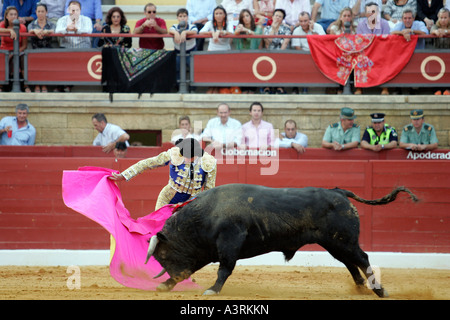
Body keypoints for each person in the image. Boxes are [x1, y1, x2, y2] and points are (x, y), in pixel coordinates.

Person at [109, 138, 217, 210]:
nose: (185, 159)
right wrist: (124, 175)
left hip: (194, 203)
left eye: (188, 157)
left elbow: (209, 190)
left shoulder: (208, 162)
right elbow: (147, 163)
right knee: (158, 230)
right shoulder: (174, 153)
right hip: (168, 198)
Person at [355, 2, 390, 95]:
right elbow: (359, 42)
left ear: (378, 12)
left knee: (386, 59)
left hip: (381, 52)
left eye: (373, 12)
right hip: (366, 52)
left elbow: (386, 40)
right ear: (365, 14)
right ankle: (359, 88)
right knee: (358, 59)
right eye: (369, 12)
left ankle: (385, 88)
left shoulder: (385, 24)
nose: (371, 14)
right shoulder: (361, 25)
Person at [199, 6, 233, 93]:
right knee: (212, 72)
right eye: (216, 14)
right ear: (214, 15)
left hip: (225, 52)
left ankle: (218, 88)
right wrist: (211, 33)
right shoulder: (210, 23)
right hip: (212, 52)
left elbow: (232, 33)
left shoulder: (229, 24)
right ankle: (212, 88)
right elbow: (201, 32)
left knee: (222, 72)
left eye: (220, 13)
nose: (218, 16)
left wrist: (221, 32)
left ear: (224, 15)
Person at [28, 2, 55, 93]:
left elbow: (54, 30)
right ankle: (36, 85)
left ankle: (44, 85)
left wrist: (47, 32)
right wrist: (34, 31)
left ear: (46, 12)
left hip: (47, 50)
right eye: (38, 11)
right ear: (35, 12)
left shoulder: (51, 24)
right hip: (35, 49)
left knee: (45, 61)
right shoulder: (32, 24)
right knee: (35, 60)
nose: (40, 13)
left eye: (42, 11)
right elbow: (29, 30)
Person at [0, 6, 28, 93]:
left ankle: (26, 86)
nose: (13, 16)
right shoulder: (3, 24)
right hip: (5, 51)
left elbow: (24, 45)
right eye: (11, 14)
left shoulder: (22, 27)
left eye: (15, 14)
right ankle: (1, 86)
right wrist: (9, 31)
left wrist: (15, 53)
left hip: (18, 51)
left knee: (23, 59)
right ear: (7, 16)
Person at [262, 8, 291, 94]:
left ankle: (280, 86)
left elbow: (285, 43)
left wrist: (280, 55)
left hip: (282, 53)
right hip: (269, 53)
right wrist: (273, 30)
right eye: (276, 16)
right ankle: (267, 86)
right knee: (266, 60)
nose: (277, 18)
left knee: (281, 61)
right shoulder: (266, 29)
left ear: (282, 19)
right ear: (273, 17)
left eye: (280, 16)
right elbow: (268, 43)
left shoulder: (287, 29)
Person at [169, 8, 198, 88]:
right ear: (177, 18)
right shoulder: (174, 26)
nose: (182, 18)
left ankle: (193, 87)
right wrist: (176, 33)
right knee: (177, 68)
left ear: (188, 17)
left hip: (191, 52)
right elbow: (170, 30)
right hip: (178, 51)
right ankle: (178, 86)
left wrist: (185, 32)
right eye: (180, 16)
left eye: (184, 16)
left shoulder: (192, 26)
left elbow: (195, 31)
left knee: (193, 69)